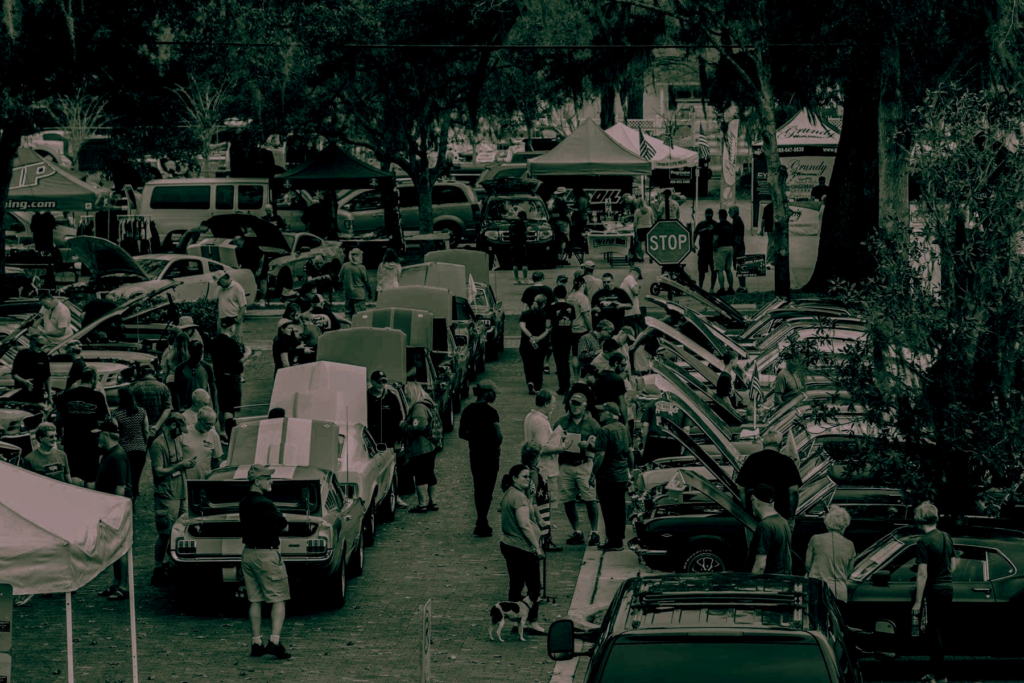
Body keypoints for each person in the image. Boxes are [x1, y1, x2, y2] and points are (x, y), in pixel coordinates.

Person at [240, 463, 292, 660]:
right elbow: (284, 527)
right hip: (267, 555)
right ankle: (275, 642)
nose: (271, 481)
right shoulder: (265, 503)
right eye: (267, 478)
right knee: (278, 598)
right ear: (257, 481)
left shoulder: (244, 502)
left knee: (255, 600)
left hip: (249, 554)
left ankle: (256, 642)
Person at [912, 501, 956, 683]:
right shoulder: (946, 536)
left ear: (919, 519)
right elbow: (953, 565)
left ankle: (941, 676)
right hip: (947, 588)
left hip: (934, 591)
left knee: (933, 634)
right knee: (937, 632)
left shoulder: (923, 542)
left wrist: (917, 602)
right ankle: (934, 672)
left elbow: (922, 574)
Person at [498, 464, 545, 635]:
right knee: (534, 587)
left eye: (529, 476)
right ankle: (532, 621)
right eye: (524, 476)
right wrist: (537, 547)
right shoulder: (518, 498)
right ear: (514, 478)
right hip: (522, 547)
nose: (528, 479)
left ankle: (515, 621)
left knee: (516, 584)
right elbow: (524, 525)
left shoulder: (510, 494)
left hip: (509, 545)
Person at [150, 413, 195, 585]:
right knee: (165, 533)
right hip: (167, 495)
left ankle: (172, 564)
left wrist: (186, 463)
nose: (182, 433)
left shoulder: (176, 440)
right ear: (173, 425)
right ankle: (158, 568)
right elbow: (158, 471)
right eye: (180, 429)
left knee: (181, 531)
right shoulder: (158, 445)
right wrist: (179, 465)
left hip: (181, 492)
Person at [553, 391, 602, 546]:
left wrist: (588, 445)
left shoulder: (592, 423)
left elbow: (600, 445)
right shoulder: (562, 422)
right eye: (572, 403)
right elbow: (552, 442)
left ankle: (594, 531)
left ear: (584, 406)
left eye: (578, 404)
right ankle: (577, 531)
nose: (574, 407)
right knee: (568, 499)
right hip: (566, 465)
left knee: (590, 499)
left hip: (584, 464)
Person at [93, 417, 132, 601]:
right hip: (110, 508)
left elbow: (120, 486)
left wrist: (114, 512)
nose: (97, 439)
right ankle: (116, 583)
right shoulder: (110, 454)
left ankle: (123, 586)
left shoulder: (116, 456)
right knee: (114, 548)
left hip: (116, 509)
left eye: (99, 435)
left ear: (106, 434)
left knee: (120, 547)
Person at [459, 380, 502, 537]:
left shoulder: (468, 410)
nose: (495, 395)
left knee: (479, 488)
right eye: (493, 393)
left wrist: (475, 439)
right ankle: (482, 521)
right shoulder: (491, 412)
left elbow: (462, 433)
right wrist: (491, 443)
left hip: (475, 455)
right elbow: (498, 435)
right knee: (488, 489)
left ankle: (481, 520)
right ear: (486, 393)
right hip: (490, 456)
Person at [56, 367, 108, 486]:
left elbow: (59, 418)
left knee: (73, 474)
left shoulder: (66, 395)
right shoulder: (98, 396)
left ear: (81, 379)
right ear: (93, 379)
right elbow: (102, 421)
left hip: (71, 440)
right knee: (90, 477)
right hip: (90, 442)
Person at [592, 403, 632, 551]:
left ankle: (612, 541)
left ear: (609, 414)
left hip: (607, 477)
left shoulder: (605, 430)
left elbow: (600, 455)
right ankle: (618, 540)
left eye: (602, 412)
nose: (600, 414)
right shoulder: (624, 428)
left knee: (608, 510)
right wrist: (630, 469)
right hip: (621, 475)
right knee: (619, 508)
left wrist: (592, 473)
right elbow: (629, 452)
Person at [736, 430, 802, 522]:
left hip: (755, 516)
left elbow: (740, 488)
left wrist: (746, 510)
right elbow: (794, 491)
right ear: (780, 444)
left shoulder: (752, 459)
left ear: (763, 443)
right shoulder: (787, 462)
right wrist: (792, 515)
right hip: (780, 515)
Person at [402, 382, 442, 513]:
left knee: (420, 475)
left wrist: (403, 425)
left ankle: (422, 503)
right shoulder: (427, 403)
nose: (406, 397)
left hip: (421, 446)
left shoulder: (418, 407)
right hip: (430, 445)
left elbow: (418, 427)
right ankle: (433, 501)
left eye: (407, 394)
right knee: (429, 474)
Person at [805, 506, 856, 602]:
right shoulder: (850, 545)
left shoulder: (815, 539)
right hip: (840, 592)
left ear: (827, 522)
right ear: (844, 525)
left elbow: (808, 565)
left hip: (818, 590)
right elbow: (849, 572)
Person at [112, 387, 149, 501]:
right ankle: (134, 496)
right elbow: (146, 430)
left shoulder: (117, 414)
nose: (116, 398)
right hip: (140, 449)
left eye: (118, 396)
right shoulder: (142, 412)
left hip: (125, 450)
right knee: (136, 477)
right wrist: (145, 444)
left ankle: (128, 500)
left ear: (122, 398)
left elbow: (115, 431)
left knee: (126, 478)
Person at [748, 485, 793, 575]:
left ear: (756, 501)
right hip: (783, 579)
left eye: (751, 500)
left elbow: (760, 565)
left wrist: (752, 583)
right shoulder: (783, 521)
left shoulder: (765, 526)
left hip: (769, 582)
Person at [210, 317, 246, 430]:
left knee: (222, 406)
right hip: (231, 377)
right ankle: (231, 432)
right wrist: (249, 353)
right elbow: (239, 359)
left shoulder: (215, 341)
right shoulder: (231, 342)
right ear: (231, 328)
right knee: (231, 408)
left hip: (219, 376)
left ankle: (222, 431)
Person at [175, 341, 218, 414]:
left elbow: (213, 388)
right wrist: (179, 408)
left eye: (200, 353)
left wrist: (215, 408)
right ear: (190, 352)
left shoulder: (207, 367)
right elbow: (176, 390)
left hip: (204, 409)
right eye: (195, 354)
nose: (198, 356)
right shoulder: (180, 368)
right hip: (186, 409)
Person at [519, 294, 551, 394]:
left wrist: (531, 336)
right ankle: (537, 386)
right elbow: (548, 329)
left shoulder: (525, 314)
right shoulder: (546, 314)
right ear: (544, 303)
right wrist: (538, 338)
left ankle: (530, 381)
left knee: (527, 364)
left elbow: (522, 327)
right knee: (538, 364)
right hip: (541, 344)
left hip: (526, 343)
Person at [130, 365, 172, 441]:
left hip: (140, 430)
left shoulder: (134, 388)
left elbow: (131, 409)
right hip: (159, 431)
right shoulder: (163, 387)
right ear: (154, 373)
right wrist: (156, 426)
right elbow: (168, 408)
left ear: (141, 373)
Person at [547, 285, 576, 394]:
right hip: (568, 335)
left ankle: (562, 386)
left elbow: (549, 324)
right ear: (566, 294)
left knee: (559, 362)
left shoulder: (552, 307)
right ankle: (567, 385)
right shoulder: (571, 307)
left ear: (555, 295)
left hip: (556, 336)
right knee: (566, 360)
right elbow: (573, 320)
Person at [182, 406, 222, 480]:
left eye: (212, 424)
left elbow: (216, 460)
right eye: (208, 424)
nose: (210, 427)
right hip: (185, 479)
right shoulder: (184, 432)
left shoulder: (213, 434)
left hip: (205, 480)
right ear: (199, 419)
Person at [367, 370, 402, 449]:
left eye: (384, 382)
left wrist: (398, 440)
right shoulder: (365, 397)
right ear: (372, 382)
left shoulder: (391, 398)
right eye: (379, 382)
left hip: (388, 443)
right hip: (369, 444)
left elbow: (398, 419)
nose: (381, 385)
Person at [12, 333, 51, 404]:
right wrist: (23, 381)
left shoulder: (44, 356)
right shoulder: (22, 355)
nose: (40, 347)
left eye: (42, 345)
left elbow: (47, 377)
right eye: (38, 345)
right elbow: (14, 374)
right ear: (31, 343)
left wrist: (50, 396)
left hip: (37, 393)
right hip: (22, 393)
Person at [567, 273, 592, 382]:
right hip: (582, 329)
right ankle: (583, 378)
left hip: (572, 329)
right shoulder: (583, 297)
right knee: (584, 355)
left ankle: (575, 377)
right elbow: (586, 315)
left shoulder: (570, 296)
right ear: (583, 284)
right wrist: (591, 328)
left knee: (575, 355)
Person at [593, 352, 629, 425]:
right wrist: (626, 421)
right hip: (613, 415)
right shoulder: (618, 379)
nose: (624, 368)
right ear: (616, 363)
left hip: (599, 414)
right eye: (623, 365)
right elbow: (622, 402)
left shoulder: (598, 376)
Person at [233, 233, 267, 304]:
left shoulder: (251, 246)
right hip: (249, 265)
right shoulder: (237, 249)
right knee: (251, 281)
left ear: (241, 240)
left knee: (262, 280)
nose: (237, 245)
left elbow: (261, 257)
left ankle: (262, 299)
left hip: (260, 264)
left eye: (238, 243)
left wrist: (259, 269)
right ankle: (251, 299)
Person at [216, 271, 248, 342]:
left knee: (236, 341)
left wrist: (238, 321)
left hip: (234, 320)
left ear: (223, 279)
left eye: (219, 282)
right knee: (224, 342)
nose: (218, 284)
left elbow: (243, 306)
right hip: (223, 320)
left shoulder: (237, 288)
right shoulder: (221, 290)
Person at [340, 248, 372, 317]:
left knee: (348, 313)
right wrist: (369, 292)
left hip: (348, 295)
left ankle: (349, 326)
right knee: (360, 315)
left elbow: (339, 279)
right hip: (359, 295)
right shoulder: (361, 267)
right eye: (361, 256)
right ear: (358, 256)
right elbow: (366, 282)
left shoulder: (345, 266)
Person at [713, 208, 736, 294]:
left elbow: (715, 238)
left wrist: (713, 247)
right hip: (730, 248)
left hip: (721, 248)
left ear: (720, 216)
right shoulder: (730, 225)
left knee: (720, 270)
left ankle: (722, 288)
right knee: (728, 269)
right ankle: (731, 288)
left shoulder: (718, 226)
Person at [160, 331, 190, 395]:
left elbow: (165, 371)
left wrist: (163, 384)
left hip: (171, 381)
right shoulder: (189, 355)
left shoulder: (169, 353)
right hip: (186, 381)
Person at [694, 208, 718, 291]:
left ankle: (712, 288)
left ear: (712, 214)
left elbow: (720, 236)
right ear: (705, 214)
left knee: (714, 270)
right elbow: (695, 234)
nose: (708, 215)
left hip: (713, 251)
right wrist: (692, 244)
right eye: (707, 213)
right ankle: (700, 287)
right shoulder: (701, 224)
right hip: (702, 251)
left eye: (710, 214)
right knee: (701, 271)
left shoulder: (716, 224)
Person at [727, 205, 748, 293]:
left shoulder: (737, 223)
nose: (729, 213)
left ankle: (743, 286)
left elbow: (738, 239)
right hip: (738, 248)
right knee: (740, 267)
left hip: (738, 249)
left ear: (735, 212)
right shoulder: (736, 221)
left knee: (740, 267)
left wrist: (734, 251)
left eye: (730, 211)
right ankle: (741, 286)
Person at [619, 267, 643, 332]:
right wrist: (638, 286)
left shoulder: (626, 280)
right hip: (631, 313)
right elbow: (636, 292)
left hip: (629, 313)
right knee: (634, 332)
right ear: (636, 274)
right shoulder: (630, 278)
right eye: (638, 277)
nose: (637, 280)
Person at [509, 211, 529, 284]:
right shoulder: (522, 224)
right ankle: (525, 278)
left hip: (513, 246)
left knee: (515, 263)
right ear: (523, 216)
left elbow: (510, 235)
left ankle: (516, 279)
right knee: (524, 263)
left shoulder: (512, 224)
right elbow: (525, 233)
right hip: (521, 245)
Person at [761, 202, 777, 266]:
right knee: (772, 244)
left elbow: (763, 220)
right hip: (771, 229)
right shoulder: (768, 207)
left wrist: (761, 229)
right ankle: (769, 261)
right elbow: (763, 220)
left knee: (772, 245)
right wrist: (761, 229)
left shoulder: (767, 207)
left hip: (771, 229)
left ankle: (771, 261)